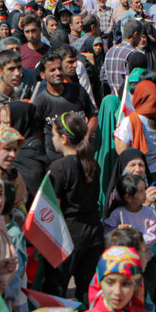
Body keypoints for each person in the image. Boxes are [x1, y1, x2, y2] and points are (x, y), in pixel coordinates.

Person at [45, 112, 104, 299]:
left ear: (63, 138)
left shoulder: (59, 167)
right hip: (94, 235)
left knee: (57, 293)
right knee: (87, 293)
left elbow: (53, 209)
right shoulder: (93, 164)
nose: (52, 139)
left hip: (69, 238)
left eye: (54, 134)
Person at [103, 173, 156, 254]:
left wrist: (132, 240)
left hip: (144, 255)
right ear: (128, 197)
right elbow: (107, 235)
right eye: (141, 191)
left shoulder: (148, 212)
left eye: (144, 189)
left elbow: (152, 237)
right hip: (124, 256)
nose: (145, 193)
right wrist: (118, 231)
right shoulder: (118, 214)